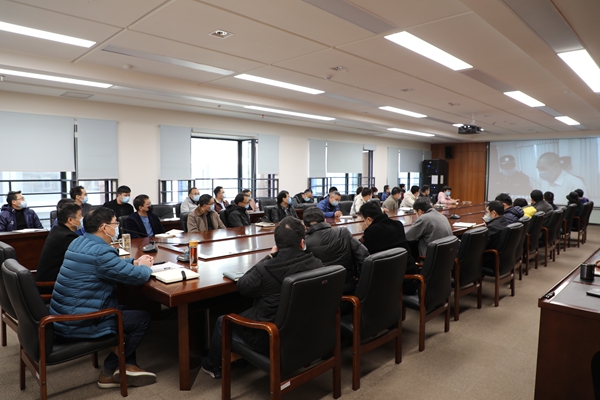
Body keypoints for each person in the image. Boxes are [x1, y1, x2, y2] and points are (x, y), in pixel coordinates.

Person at [201, 217, 323, 379]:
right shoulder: (316, 263)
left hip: (269, 335)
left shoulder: (266, 269)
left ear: (277, 244)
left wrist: (268, 257)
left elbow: (242, 286)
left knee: (222, 321)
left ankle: (210, 365)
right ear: (302, 243)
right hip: (303, 330)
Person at [50, 207, 156, 388]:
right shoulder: (101, 252)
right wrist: (145, 266)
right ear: (104, 227)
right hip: (80, 321)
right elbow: (138, 277)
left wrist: (133, 262)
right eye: (115, 223)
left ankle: (127, 365)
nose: (117, 227)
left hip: (65, 313)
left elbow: (108, 265)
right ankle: (109, 371)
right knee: (142, 318)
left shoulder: (79, 242)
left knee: (126, 310)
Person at [304, 207, 368, 295]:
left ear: (305, 227)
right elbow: (364, 255)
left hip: (320, 292)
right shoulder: (343, 232)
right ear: (325, 220)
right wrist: (361, 282)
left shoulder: (304, 243)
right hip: (348, 287)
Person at [359, 201, 418, 294]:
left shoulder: (372, 231)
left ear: (369, 219)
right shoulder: (398, 224)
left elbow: (362, 253)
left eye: (364, 220)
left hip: (393, 285)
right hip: (412, 278)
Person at [36, 202, 81, 295]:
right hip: (52, 287)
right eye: (80, 216)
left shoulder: (57, 229)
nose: (82, 218)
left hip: (52, 282)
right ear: (70, 220)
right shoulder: (67, 237)